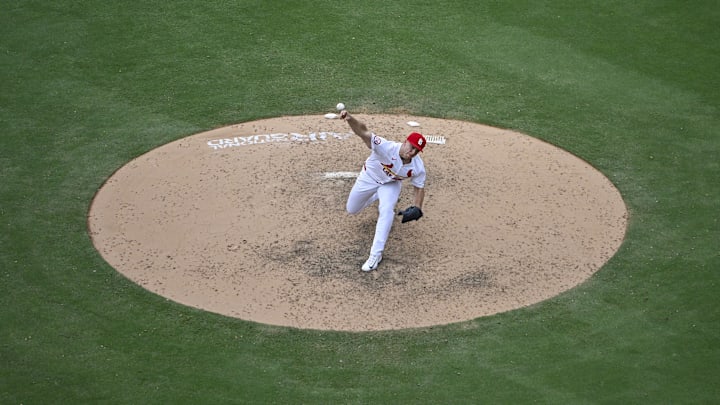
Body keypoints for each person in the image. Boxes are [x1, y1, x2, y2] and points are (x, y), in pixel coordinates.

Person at [340, 109, 427, 272]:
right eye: (412, 147)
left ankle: (375, 255)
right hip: (369, 177)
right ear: (405, 141)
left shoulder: (417, 166)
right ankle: (375, 195)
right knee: (352, 209)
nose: (412, 152)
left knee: (386, 211)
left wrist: (418, 207)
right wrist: (350, 119)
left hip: (391, 184)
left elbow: (419, 187)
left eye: (416, 151)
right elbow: (363, 132)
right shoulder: (386, 147)